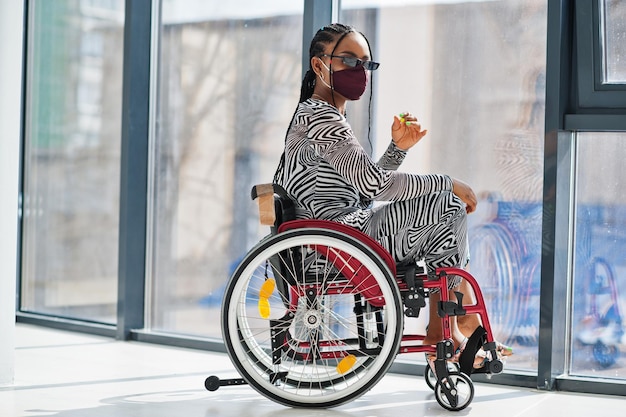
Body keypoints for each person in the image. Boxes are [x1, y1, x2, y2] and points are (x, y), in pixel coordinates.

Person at [273, 23, 509, 367]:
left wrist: (397, 149)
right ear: (319, 65)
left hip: (338, 235)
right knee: (447, 204)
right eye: (349, 61)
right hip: (334, 244)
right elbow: (372, 187)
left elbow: (362, 189)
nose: (360, 72)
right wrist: (448, 181)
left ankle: (447, 326)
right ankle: (451, 325)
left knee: (445, 210)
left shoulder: (322, 116)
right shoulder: (322, 119)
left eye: (365, 64)